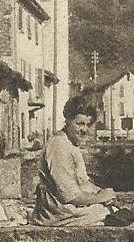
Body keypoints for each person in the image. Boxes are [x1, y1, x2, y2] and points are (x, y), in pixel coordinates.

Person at [31, 96, 115, 226]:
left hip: (65, 208)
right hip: (57, 212)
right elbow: (69, 195)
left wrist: (101, 192)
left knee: (115, 212)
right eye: (80, 123)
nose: (84, 129)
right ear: (68, 121)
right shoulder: (59, 145)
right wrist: (100, 197)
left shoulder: (71, 144)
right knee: (111, 216)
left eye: (88, 124)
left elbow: (83, 182)